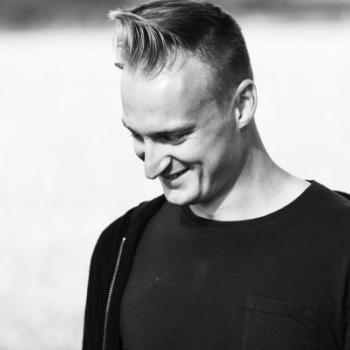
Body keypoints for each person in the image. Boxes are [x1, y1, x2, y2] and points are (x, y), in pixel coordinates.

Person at [82, 1, 350, 349]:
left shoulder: (341, 245)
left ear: (242, 105)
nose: (151, 167)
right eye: (137, 135)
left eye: (173, 136)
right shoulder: (120, 248)